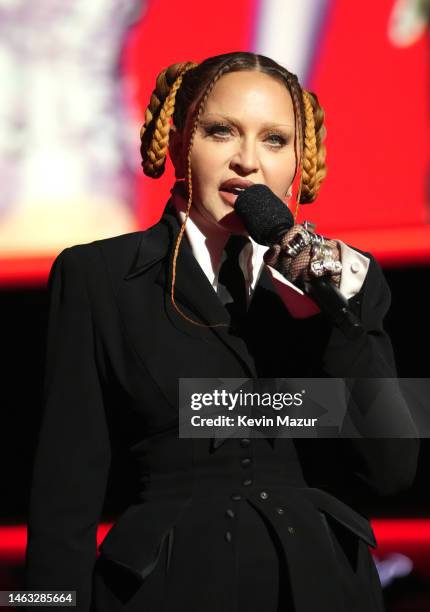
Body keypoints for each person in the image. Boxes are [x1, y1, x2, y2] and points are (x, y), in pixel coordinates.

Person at [25, 51, 419, 612]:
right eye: (221, 132)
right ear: (180, 138)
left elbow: (392, 469)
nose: (247, 162)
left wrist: (335, 323)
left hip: (324, 586)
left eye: (275, 140)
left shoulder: (349, 279)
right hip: (167, 585)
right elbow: (62, 491)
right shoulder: (98, 277)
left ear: (298, 160)